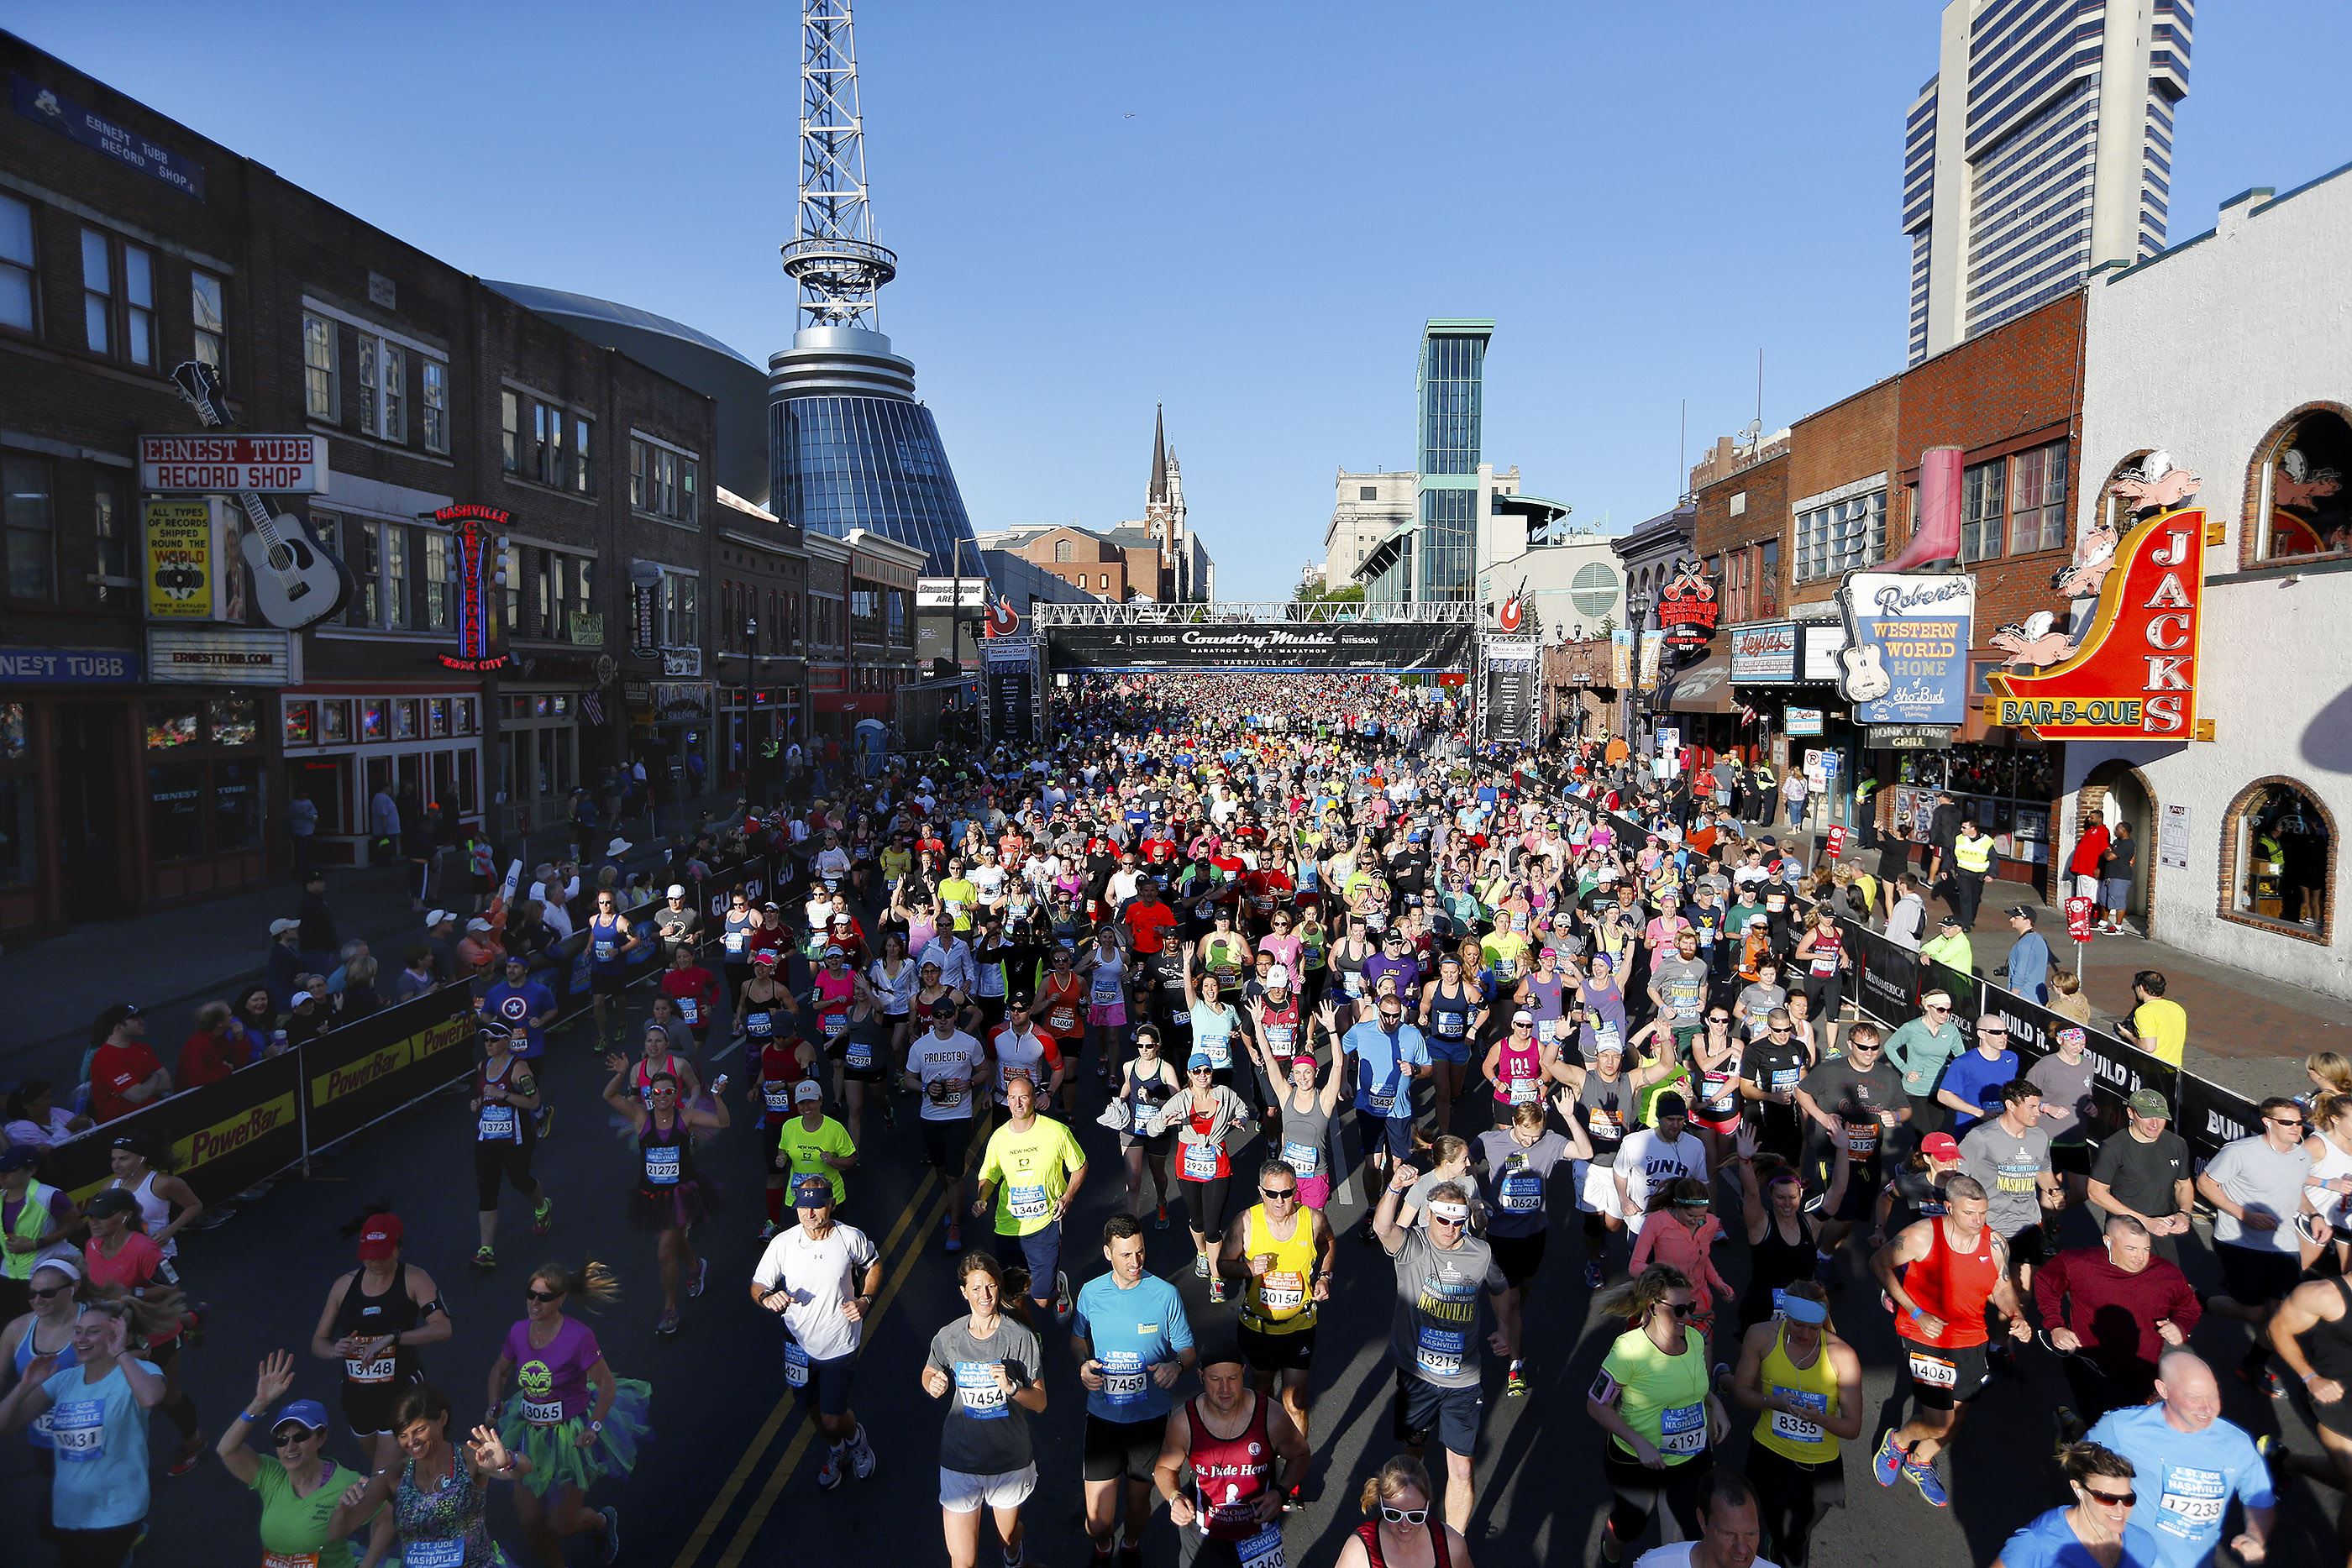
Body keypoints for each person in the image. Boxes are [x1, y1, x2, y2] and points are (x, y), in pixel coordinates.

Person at [1870, 1173, 2030, 1509]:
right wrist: (1914, 1312)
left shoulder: (1995, 1243)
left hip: (1971, 1336)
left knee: (1958, 1415)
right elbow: (1880, 1262)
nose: (1978, 1221)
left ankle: (1920, 1462)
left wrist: (2017, 1316)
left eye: (1983, 1213)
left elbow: (2001, 1288)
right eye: (1970, 1213)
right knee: (1939, 1419)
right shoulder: (1921, 1236)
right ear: (1948, 1208)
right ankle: (1898, 1441)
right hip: (1924, 1335)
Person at [1375, 1161, 1509, 1534]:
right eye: (1443, 1220)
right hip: (1416, 1375)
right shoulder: (1412, 1245)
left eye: (1457, 1222)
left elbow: (1501, 1289)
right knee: (1412, 1454)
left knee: (1462, 1467)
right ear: (1428, 1216)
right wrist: (1394, 1187)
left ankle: (1454, 1542)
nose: (1451, 1230)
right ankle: (1406, 1520)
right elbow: (1382, 1228)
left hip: (1464, 1380)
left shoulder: (1479, 1253)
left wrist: (1505, 1331)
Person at [486, 1260, 648, 1564]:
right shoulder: (518, 1332)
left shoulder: (579, 1337)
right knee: (531, 1524)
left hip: (569, 1436)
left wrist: (594, 1427)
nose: (535, 1302)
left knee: (562, 1523)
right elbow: (500, 1370)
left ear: (561, 1299)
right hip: (528, 1432)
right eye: (530, 1294)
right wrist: (494, 1402)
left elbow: (607, 1385)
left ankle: (601, 1522)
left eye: (544, 1297)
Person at [0, 1296, 167, 1565]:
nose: (80, 1339)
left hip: (115, 1508)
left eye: (92, 1332)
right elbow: (5, 1426)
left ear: (115, 1335)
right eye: (77, 1331)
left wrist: (122, 1353)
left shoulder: (143, 1372)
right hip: (69, 1508)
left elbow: (151, 1398)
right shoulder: (64, 1380)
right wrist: (24, 1386)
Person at [1074, 1214, 1198, 1568]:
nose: (1136, 1262)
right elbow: (1077, 1339)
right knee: (1098, 1520)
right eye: (1126, 1255)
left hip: (1149, 1419)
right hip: (1103, 1417)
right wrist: (1084, 1364)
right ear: (1107, 1253)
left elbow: (1187, 1351)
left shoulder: (1165, 1295)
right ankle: (1103, 1544)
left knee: (1138, 1502)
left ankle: (1129, 1542)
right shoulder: (1091, 1293)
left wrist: (1177, 1366)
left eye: (1140, 1252)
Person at [1586, 1264, 1726, 1561]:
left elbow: (1694, 1387)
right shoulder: (1629, 1349)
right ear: (1652, 1305)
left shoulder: (1696, 1341)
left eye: (1690, 1307)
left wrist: (1716, 1404)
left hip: (1690, 1456)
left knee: (1689, 1530)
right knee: (1630, 1526)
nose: (1687, 1317)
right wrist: (1639, 1443)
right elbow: (1596, 1405)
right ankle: (1610, 1552)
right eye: (1679, 1310)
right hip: (1636, 1460)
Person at [2085, 1350, 2275, 1568]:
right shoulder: (2122, 1427)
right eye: (2193, 1398)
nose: (2207, 1408)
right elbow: (2081, 1465)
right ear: (2163, 1390)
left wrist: (2255, 1536)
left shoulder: (2237, 1444)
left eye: (2213, 1395)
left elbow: (2259, 1497)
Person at [752, 1177, 882, 1491]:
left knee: (832, 1418)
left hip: (839, 1343)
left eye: (816, 1205)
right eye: (802, 1206)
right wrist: (767, 1298)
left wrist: (865, 1300)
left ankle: (856, 1440)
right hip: (796, 1344)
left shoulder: (849, 1238)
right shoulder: (782, 1244)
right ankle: (837, 1450)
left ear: (832, 1205)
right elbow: (757, 1286)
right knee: (809, 1406)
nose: (808, 1213)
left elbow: (873, 1265)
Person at [922, 1251, 1047, 1568]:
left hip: (1008, 1461)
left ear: (999, 1287)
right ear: (964, 1292)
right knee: (963, 1562)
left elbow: (1041, 1402)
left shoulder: (1020, 1338)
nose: (985, 1296)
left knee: (1007, 1536)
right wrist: (932, 1383)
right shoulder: (949, 1336)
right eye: (976, 1288)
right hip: (959, 1459)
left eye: (990, 1287)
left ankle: (1014, 1553)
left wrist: (1013, 1389)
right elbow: (930, 1369)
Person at [307, 1209, 452, 1476]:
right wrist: (333, 1350)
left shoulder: (414, 1279)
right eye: (369, 1256)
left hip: (401, 1391)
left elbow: (443, 1328)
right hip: (356, 1396)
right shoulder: (344, 1286)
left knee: (381, 1478)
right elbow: (318, 1341)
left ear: (398, 1248)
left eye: (381, 1256)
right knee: (391, 1474)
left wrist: (395, 1338)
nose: (374, 1263)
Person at [1727, 1282, 1856, 1568]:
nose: (1806, 1334)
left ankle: (1780, 1543)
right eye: (1798, 1325)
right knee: (1791, 1544)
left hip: (1820, 1467)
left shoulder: (1842, 1355)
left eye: (1814, 1327)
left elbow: (1852, 1427)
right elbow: (1742, 1393)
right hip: (1770, 1455)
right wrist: (1775, 1402)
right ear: (1785, 1316)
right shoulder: (1761, 1336)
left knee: (1799, 1531)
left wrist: (1819, 1418)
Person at [328, 1383, 527, 1567]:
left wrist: (508, 1461)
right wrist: (342, 1509)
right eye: (403, 1435)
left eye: (419, 1430)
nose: (412, 1441)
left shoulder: (470, 1459)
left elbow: (525, 1469)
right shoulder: (394, 1476)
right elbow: (338, 1532)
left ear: (442, 1419)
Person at [2034, 1214, 2201, 1429]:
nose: (2140, 1258)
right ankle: (2080, 1436)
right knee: (2105, 1429)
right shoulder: (2077, 1264)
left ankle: (2073, 1431)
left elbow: (2189, 1307)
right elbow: (2046, 1283)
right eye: (2131, 1249)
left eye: (2146, 1249)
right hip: (2090, 1367)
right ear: (2107, 1241)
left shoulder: (2166, 1274)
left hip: (2141, 1371)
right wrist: (2055, 1325)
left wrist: (2180, 1326)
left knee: (2124, 1431)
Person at [2196, 1096, 2314, 1397]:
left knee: (2280, 1314)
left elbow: (2296, 1190)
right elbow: (2206, 1184)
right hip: (2239, 1241)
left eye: (2299, 1122)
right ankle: (2201, 1302)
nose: (2295, 1127)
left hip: (2283, 1244)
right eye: (2287, 1122)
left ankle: (2253, 1365)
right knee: (2253, 1313)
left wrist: (2314, 1214)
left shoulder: (2301, 1156)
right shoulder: (2239, 1152)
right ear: (2268, 1122)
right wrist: (2244, 1214)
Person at [1221, 1157, 1334, 1468]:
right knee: (1261, 1393)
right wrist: (1247, 1268)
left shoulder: (1313, 1219)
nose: (1281, 1201)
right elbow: (1223, 1265)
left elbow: (1328, 1244)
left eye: (1287, 1193)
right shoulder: (1246, 1222)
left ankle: (1297, 1464)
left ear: (1296, 1190)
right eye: (1273, 1194)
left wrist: (1324, 1276)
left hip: (1299, 1326)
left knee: (1296, 1400)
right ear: (1261, 1192)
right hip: (1259, 1328)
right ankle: (1264, 1457)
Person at [603, 1061, 729, 1337]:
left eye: (668, 1092)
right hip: (652, 1195)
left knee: (664, 1252)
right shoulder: (640, 1117)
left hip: (681, 1194)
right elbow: (609, 1096)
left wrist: (717, 1097)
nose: (662, 1097)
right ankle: (696, 1266)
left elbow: (722, 1122)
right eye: (656, 1093)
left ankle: (670, 1307)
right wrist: (622, 1074)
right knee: (674, 1239)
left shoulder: (687, 1118)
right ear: (650, 1096)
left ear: (676, 1094)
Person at [1152, 1345, 1308, 1568]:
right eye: (1215, 1379)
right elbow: (1165, 1468)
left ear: (1243, 1373)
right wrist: (1175, 1497)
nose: (1225, 1388)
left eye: (1232, 1378)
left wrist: (1281, 1492)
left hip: (1257, 1537)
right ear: (1201, 1377)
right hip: (1204, 1536)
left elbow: (1301, 1454)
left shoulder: (1270, 1416)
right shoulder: (1184, 1421)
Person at [1474, 1097, 1587, 1396]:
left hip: (1534, 1234)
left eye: (1535, 1136)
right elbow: (1464, 1165)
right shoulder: (1490, 1141)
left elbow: (1585, 1152)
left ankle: (1509, 1325)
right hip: (1500, 1236)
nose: (1529, 1141)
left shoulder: (1550, 1143)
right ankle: (1515, 1364)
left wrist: (1570, 1117)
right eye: (1525, 1135)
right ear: (1514, 1123)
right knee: (1510, 1301)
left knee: (1522, 1295)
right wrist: (1475, 1199)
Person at [215, 1350, 369, 1568]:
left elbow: (389, 1516)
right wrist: (260, 1402)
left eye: (301, 1436)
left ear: (321, 1437)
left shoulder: (347, 1482)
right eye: (281, 1439)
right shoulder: (271, 1474)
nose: (290, 1447)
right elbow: (226, 1449)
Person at [974, 1073, 1089, 1323]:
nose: (1016, 1104)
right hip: (1008, 1227)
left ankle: (1056, 1288)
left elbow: (1079, 1165)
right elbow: (989, 1176)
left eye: (1023, 1098)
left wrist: (1067, 1197)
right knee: (1012, 1296)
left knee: (1041, 1298)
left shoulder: (1055, 1132)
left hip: (1044, 1223)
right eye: (1012, 1098)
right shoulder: (999, 1138)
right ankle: (1030, 1338)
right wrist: (982, 1198)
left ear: (1034, 1099)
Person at [1158, 1054, 1255, 1300]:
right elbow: (1152, 1126)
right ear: (1188, 1075)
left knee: (1213, 1227)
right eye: (1197, 1071)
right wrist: (1164, 1124)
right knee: (1197, 1220)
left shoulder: (1224, 1094)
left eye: (1207, 1072)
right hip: (1188, 1168)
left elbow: (1243, 1109)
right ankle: (1201, 1253)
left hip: (1218, 1166)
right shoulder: (1181, 1100)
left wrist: (1240, 1120)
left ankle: (1216, 1277)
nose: (1202, 1076)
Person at [1342, 995, 1432, 1238]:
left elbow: (1428, 1067)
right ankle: (1373, 1208)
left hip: (1399, 1111)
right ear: (1378, 1011)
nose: (1391, 1020)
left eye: (1396, 1016)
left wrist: (1414, 1070)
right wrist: (1343, 1081)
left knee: (1396, 1164)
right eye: (1386, 1015)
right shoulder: (1361, 1031)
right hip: (1369, 1109)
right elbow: (1341, 1050)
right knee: (1372, 1165)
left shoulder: (1412, 1036)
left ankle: (1387, 1200)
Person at [909, 997, 991, 1254]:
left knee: (956, 1173)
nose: (943, 1019)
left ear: (955, 1016)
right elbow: (909, 1079)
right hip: (931, 1117)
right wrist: (925, 1087)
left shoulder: (969, 1044)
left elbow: (984, 1070)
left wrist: (971, 1084)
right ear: (931, 1018)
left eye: (947, 1014)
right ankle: (951, 1202)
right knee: (941, 1169)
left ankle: (955, 1224)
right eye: (937, 1015)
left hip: (959, 1116)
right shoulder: (921, 1047)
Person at [470, 1022, 552, 1268]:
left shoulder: (519, 1069)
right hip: (487, 1139)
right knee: (487, 1190)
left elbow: (534, 1101)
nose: (489, 1044)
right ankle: (486, 1250)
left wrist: (503, 1095)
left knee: (519, 1180)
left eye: (494, 1040)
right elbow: (483, 1093)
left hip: (516, 1138)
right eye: (486, 1040)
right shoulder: (483, 1066)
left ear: (506, 1041)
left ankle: (542, 1205)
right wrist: (477, 1102)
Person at [1990, 1441, 2140, 1568]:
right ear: (2078, 1489)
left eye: (2128, 1499)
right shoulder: (2036, 1543)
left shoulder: (2142, 1545)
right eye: (2107, 1499)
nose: (2120, 1509)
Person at [2088, 1088, 2195, 1264]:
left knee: (2165, 1285)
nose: (2155, 1123)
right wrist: (2143, 1221)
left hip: (2162, 1230)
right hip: (2126, 1233)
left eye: (2161, 1117)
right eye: (2147, 1116)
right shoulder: (2114, 1148)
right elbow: (2095, 1192)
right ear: (2130, 1113)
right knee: (2127, 1287)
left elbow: (2183, 1185)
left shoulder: (2176, 1144)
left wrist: (2184, 1214)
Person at [1331, 1453, 1478, 1568]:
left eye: (1415, 1516)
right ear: (1381, 1503)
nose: (1404, 1524)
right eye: (1393, 1515)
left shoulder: (1451, 1545)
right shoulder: (1359, 1552)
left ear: (1427, 1506)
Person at [1626, 1469, 1781, 1568]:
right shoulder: (1655, 1565)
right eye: (1728, 1534)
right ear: (1702, 1520)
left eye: (1751, 1534)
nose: (1741, 1549)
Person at [1882, 990, 1963, 1134]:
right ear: (1927, 1007)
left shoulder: (1951, 1030)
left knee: (1934, 1137)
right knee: (1926, 1136)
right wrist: (1905, 1070)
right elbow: (1890, 1046)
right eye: (1941, 1009)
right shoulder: (1911, 1028)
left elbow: (1961, 1057)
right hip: (1914, 1092)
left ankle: (1912, 1157)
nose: (1945, 1014)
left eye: (1949, 1010)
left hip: (1939, 1092)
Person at [87, 1003, 169, 1126]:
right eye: (136, 1019)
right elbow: (138, 1096)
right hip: (124, 1127)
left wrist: (140, 1090)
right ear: (119, 1027)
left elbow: (167, 1083)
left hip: (152, 1117)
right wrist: (155, 1077)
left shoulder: (143, 1049)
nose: (142, 1022)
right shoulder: (106, 1058)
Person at [2121, 971, 2187, 1068]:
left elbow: (2148, 1047)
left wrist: (2128, 1036)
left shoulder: (2144, 1012)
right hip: (2174, 1068)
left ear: (2141, 988)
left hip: (2153, 1069)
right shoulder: (2177, 1008)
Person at [1947, 815, 1993, 930]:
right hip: (1963, 873)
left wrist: (1992, 874)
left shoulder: (1986, 841)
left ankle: (1970, 919)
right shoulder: (1959, 839)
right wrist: (1945, 868)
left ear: (1973, 828)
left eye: (1964, 827)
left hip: (1979, 876)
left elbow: (1994, 859)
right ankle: (1966, 924)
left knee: (1975, 899)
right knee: (1965, 897)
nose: (1961, 829)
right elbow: (1950, 854)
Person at [2002, 906, 2052, 1004]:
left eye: (2016, 918)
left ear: (2027, 921)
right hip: (2033, 997)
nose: (2011, 919)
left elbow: (2021, 974)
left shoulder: (2027, 944)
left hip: (2025, 999)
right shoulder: (2034, 939)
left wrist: (2012, 998)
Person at [2099, 821, 2137, 935]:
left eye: (2117, 829)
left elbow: (2109, 856)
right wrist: (2108, 850)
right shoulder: (2117, 842)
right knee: (2104, 899)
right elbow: (2108, 851)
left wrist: (2107, 851)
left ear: (2124, 831)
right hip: (2109, 875)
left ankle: (2118, 927)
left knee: (2118, 900)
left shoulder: (2128, 844)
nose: (2115, 831)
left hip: (2120, 876)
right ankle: (2103, 923)